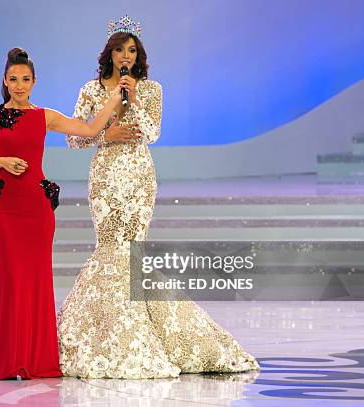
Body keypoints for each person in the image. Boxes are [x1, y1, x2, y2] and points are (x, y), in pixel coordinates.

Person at [57, 16, 260, 378]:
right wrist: (107, 135)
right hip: (105, 177)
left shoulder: (151, 90)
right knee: (109, 249)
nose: (125, 57)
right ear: (109, 53)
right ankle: (104, 332)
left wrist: (132, 100)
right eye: (119, 50)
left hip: (138, 177)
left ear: (138, 55)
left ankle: (152, 332)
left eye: (131, 50)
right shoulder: (90, 89)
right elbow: (74, 138)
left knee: (134, 253)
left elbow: (151, 133)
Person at [0, 47, 124, 380]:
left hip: (37, 209)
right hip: (7, 207)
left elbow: (88, 129)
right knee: (10, 277)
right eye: (13, 79)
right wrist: (1, 161)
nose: (19, 85)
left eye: (25, 79)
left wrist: (114, 98)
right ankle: (7, 359)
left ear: (34, 81)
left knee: (37, 279)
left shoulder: (45, 116)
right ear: (4, 81)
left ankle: (35, 360)